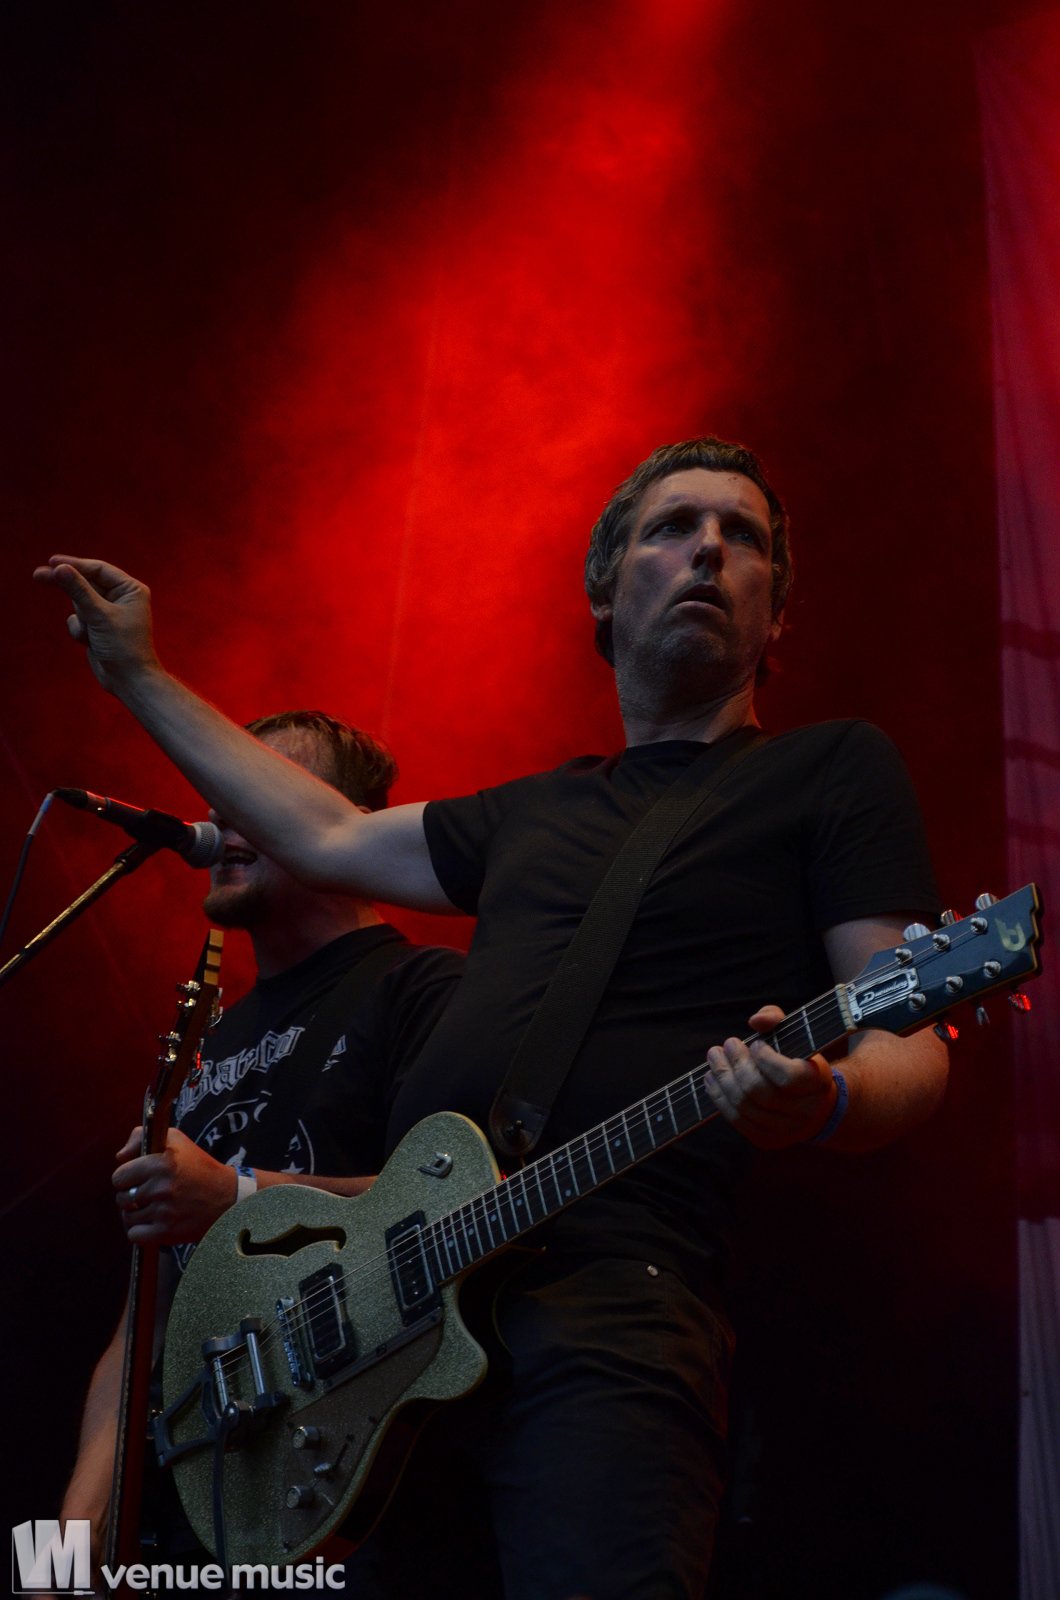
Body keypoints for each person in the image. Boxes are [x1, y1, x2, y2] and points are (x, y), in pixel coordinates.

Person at [37, 437, 948, 1600]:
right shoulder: (532, 810)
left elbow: (910, 1033)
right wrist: (137, 675)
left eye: (745, 535)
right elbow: (322, 832)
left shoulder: (831, 770)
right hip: (404, 1321)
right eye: (673, 527)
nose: (709, 548)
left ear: (776, 617)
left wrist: (827, 1099)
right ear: (605, 595)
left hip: (610, 1295)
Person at [58, 709, 464, 1572]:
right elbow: (142, 1328)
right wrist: (66, 1549)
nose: (219, 816)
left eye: (255, 792)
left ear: (341, 828)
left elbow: (461, 1198)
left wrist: (237, 1197)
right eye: (218, 795)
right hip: (207, 1501)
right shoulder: (194, 1057)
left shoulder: (422, 989)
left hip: (362, 1497)